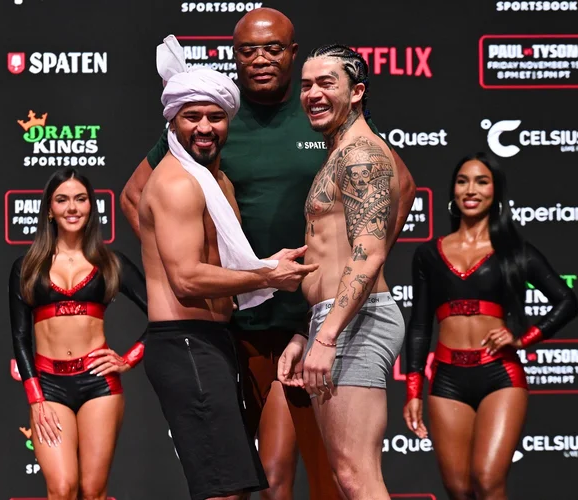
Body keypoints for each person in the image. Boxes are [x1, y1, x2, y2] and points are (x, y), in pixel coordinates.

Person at [121, 8, 415, 499]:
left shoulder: (324, 112)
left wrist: (357, 264)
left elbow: (397, 185)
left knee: (337, 476)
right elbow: (137, 197)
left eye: (273, 48)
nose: (260, 59)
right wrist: (197, 271)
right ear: (233, 57)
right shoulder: (213, 118)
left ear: (293, 53)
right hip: (238, 328)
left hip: (317, 319)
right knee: (252, 478)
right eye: (247, 50)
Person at [139, 35, 320, 500]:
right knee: (223, 491)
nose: (205, 127)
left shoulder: (215, 180)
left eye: (216, 117)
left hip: (213, 342)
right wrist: (266, 277)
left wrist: (265, 265)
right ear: (172, 122)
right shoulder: (178, 184)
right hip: (186, 343)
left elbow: (222, 260)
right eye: (192, 117)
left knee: (234, 487)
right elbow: (185, 278)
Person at [402, 153, 578, 500]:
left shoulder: (515, 252)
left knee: (487, 480)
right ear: (452, 190)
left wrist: (524, 337)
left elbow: (567, 301)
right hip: (447, 379)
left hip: (500, 375)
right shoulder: (428, 254)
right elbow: (420, 324)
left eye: (482, 181)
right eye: (463, 180)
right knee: (458, 488)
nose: (471, 189)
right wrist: (412, 390)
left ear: (496, 192)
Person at [277, 45, 406, 500]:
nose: (312, 93)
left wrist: (327, 336)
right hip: (334, 317)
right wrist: (305, 332)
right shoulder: (339, 154)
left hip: (356, 320)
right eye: (307, 84)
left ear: (357, 92)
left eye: (326, 83)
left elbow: (368, 255)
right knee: (346, 476)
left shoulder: (362, 155)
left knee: (356, 476)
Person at [9, 167, 149, 500]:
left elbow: (160, 317)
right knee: (61, 488)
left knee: (93, 490)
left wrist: (128, 359)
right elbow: (19, 339)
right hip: (48, 385)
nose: (72, 208)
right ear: (49, 209)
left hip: (99, 385)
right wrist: (35, 397)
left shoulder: (111, 263)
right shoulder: (26, 267)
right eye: (62, 200)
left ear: (91, 207)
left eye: (80, 199)